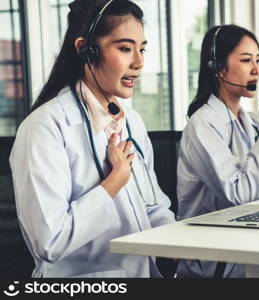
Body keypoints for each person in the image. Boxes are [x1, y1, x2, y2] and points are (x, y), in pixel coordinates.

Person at [9, 0, 174, 278]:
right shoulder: (44, 128)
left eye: (142, 49)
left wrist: (179, 242)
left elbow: (155, 206)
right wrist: (112, 184)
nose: (139, 62)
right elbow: (50, 241)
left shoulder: (131, 121)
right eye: (125, 48)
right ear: (86, 50)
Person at [176, 24, 259, 278]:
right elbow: (239, 192)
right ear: (217, 67)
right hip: (212, 262)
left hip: (246, 245)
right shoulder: (203, 125)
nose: (256, 69)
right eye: (246, 60)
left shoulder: (252, 121)